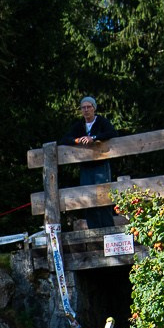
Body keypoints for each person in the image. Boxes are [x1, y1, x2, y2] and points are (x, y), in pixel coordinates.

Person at [58, 95, 118, 230]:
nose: (86, 110)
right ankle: (94, 231)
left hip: (101, 164)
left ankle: (109, 230)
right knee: (87, 198)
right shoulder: (79, 125)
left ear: (94, 108)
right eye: (83, 108)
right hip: (85, 166)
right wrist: (77, 141)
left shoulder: (101, 121)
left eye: (88, 107)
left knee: (103, 197)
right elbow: (65, 139)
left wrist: (94, 138)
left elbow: (112, 133)